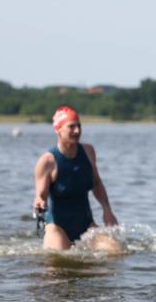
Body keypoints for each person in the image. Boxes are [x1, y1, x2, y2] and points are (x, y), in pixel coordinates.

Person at [32, 107, 122, 252]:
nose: (77, 131)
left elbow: (97, 183)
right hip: (56, 228)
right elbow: (40, 197)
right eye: (71, 126)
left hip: (86, 226)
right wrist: (40, 230)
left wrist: (107, 210)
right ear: (58, 129)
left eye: (79, 126)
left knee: (116, 251)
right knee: (61, 259)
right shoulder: (47, 161)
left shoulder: (88, 151)